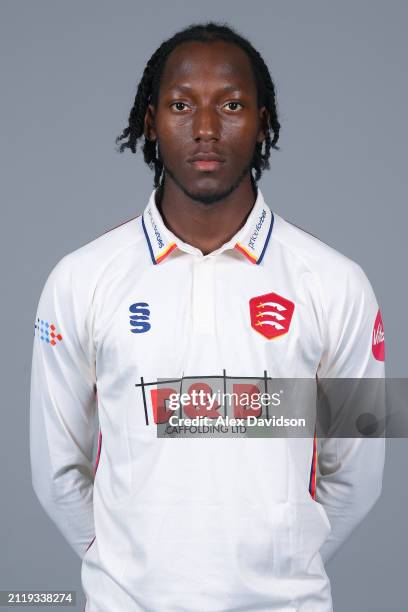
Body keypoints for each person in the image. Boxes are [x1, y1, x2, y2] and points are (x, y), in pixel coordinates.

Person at [30, 21, 386, 612]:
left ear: (264, 120)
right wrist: (129, 574)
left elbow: (360, 475)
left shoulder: (338, 282)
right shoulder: (79, 278)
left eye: (231, 104)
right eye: (179, 104)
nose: (204, 128)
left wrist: (279, 567)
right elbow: (56, 468)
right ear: (150, 120)